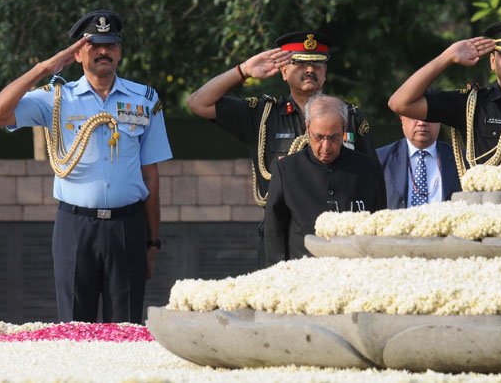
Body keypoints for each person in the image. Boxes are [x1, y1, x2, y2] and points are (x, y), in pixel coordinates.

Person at [0, 10, 172, 323]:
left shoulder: (145, 99)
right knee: (73, 327)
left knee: (125, 329)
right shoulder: (57, 98)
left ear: (119, 51)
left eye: (110, 45)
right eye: (94, 44)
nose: (103, 51)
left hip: (127, 226)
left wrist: (153, 243)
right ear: (78, 52)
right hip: (76, 226)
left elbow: (150, 175)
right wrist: (43, 68)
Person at [186, 31, 376, 267]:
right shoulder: (264, 114)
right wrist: (242, 70)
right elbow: (198, 103)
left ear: (325, 73)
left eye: (317, 64)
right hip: (282, 236)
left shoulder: (349, 117)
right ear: (284, 71)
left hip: (341, 239)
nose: (310, 70)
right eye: (299, 63)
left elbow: (369, 178)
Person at [387, 20, 501, 176]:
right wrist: (448, 56)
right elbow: (400, 103)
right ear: (492, 62)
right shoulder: (472, 104)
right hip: (488, 203)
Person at [263, 94, 386, 265]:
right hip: (302, 271)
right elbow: (274, 229)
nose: (326, 147)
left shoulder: (368, 169)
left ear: (344, 129)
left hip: (354, 271)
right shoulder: (286, 170)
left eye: (334, 138)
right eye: (319, 137)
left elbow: (379, 226)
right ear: (307, 128)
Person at [377, 115, 461, 209]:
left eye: (429, 116)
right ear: (402, 117)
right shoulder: (379, 159)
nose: (421, 123)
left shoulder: (461, 161)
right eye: (414, 115)